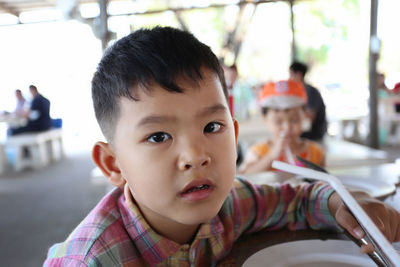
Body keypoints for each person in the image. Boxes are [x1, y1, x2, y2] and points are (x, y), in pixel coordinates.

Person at [44, 27, 400, 266]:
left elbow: (300, 200)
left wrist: (344, 202)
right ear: (113, 165)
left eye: (212, 126)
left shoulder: (230, 205)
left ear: (234, 131)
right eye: (158, 137)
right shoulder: (94, 258)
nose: (197, 155)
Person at [238, 80, 325, 174]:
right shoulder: (258, 152)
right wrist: (272, 155)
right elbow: (245, 175)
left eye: (294, 120)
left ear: (304, 116)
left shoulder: (316, 153)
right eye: (278, 122)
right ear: (265, 119)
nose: (287, 127)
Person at [289, 61, 327, 141]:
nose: (289, 78)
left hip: (314, 133)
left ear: (299, 75)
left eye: (291, 74)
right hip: (307, 131)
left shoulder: (310, 91)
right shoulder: (299, 91)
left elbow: (310, 118)